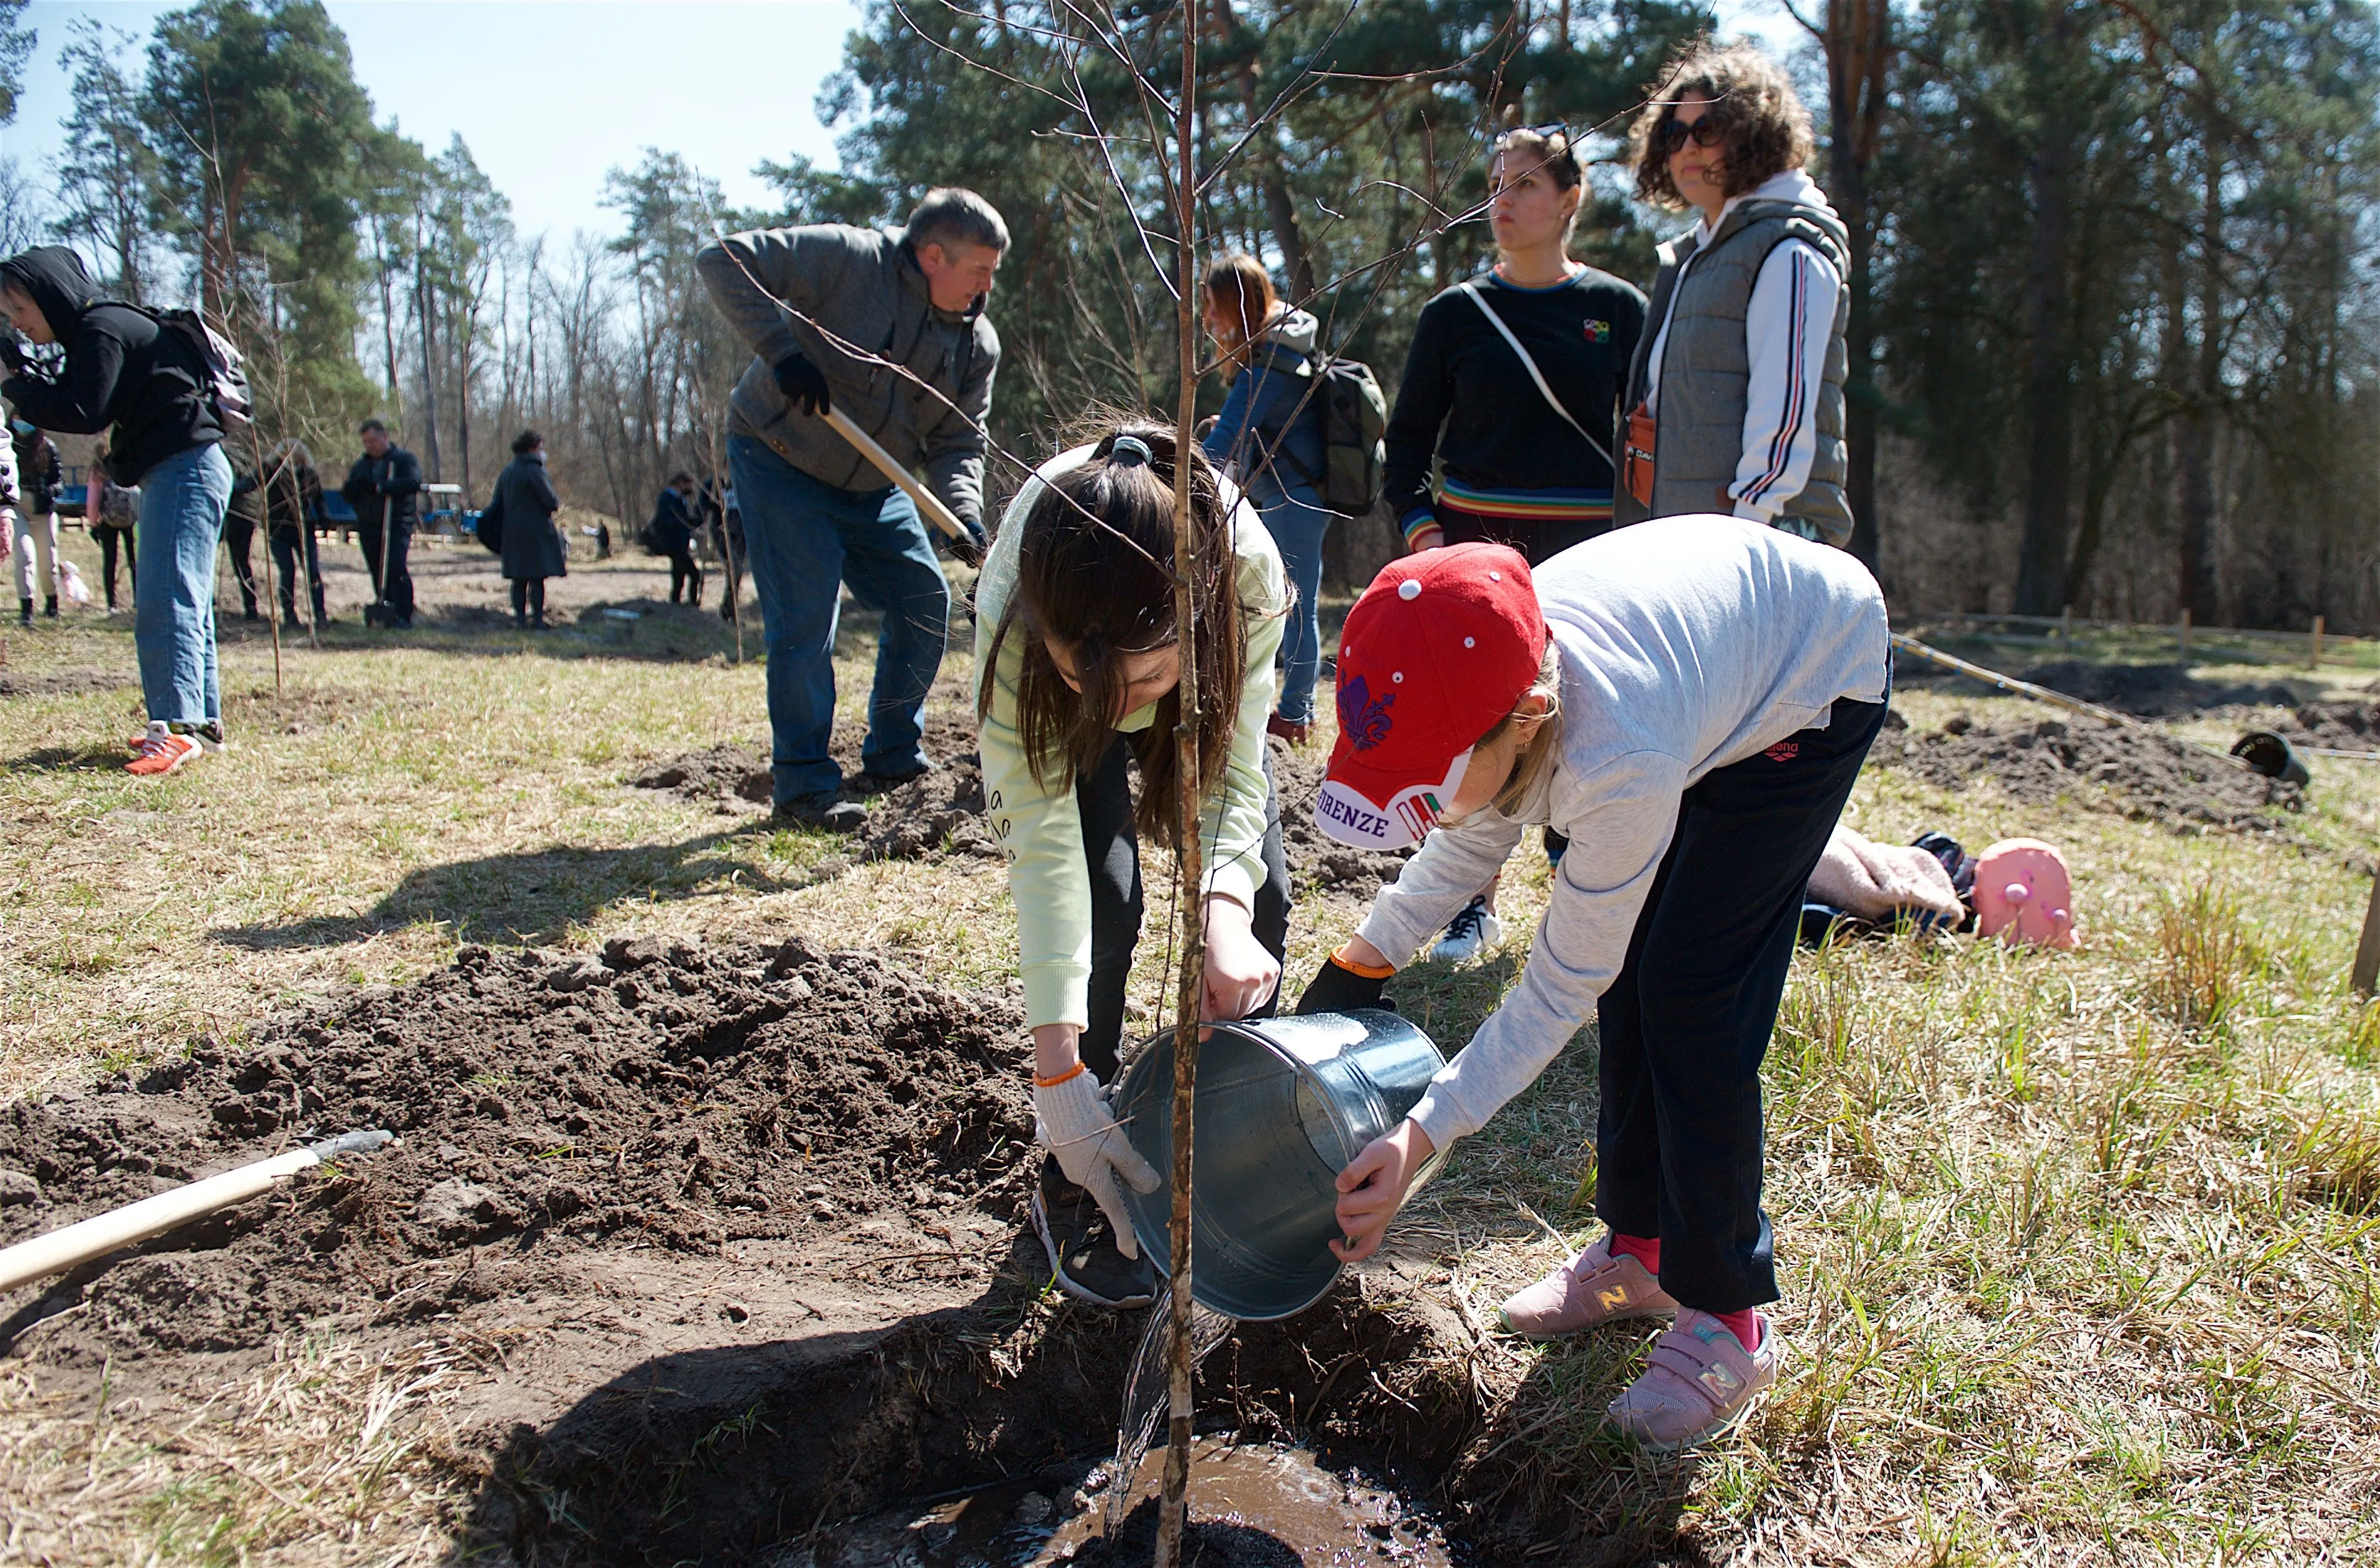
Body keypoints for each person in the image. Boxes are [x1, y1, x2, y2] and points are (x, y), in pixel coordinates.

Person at [1294, 518, 1887, 1453]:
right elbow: (1467, 833)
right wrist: (1349, 974)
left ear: (1527, 718)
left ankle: (1728, 1317)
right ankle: (1641, 1250)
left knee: (1691, 992)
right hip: (1700, 671)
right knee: (1636, 976)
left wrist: (1422, 1136)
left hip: (1807, 677)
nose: (1426, 808)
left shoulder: (1617, 755)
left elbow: (1558, 984)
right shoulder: (1499, 699)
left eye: (1431, 781)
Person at [975, 424, 1291, 1309]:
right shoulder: (1015, 608)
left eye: (1145, 686)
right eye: (1092, 687)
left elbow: (1233, 773)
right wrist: (1054, 1073)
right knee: (1104, 909)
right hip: (1073, 676)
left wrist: (1222, 911)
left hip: (1210, 696)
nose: (1118, 712)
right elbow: (1040, 848)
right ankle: (1086, 1151)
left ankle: (1232, 1144)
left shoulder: (1248, 581)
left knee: (1261, 912)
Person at [1380, 122, 1647, 962]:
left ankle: (1584, 897)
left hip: (1589, 565)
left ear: (1569, 199)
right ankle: (1468, 903)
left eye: (1526, 184)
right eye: (1496, 183)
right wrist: (1427, 539)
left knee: (1588, 721)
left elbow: (1650, 442)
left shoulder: (1616, 311)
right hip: (1474, 564)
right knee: (1474, 727)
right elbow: (1407, 447)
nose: (1504, 201)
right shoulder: (1455, 315)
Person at [697, 187, 1003, 831]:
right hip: (780, 456)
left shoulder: (978, 345)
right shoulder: (846, 259)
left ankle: (894, 754)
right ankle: (803, 788)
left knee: (924, 600)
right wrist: (782, 354)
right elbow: (720, 259)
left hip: (875, 483)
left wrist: (962, 516)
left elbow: (957, 441)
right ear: (930, 256)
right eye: (978, 270)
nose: (986, 288)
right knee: (807, 619)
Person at [0, 247, 229, 775]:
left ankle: (173, 727)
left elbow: (83, 410)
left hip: (185, 467)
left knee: (166, 595)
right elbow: (78, 398)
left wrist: (13, 387)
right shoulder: (105, 325)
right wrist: (23, 377)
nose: (18, 323)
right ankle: (200, 724)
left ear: (49, 296)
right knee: (185, 597)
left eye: (21, 310)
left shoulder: (99, 327)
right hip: (190, 466)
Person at [1613, 42, 1853, 548]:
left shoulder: (1788, 246)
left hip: (1763, 545)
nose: (1688, 149)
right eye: (1675, 135)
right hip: (1700, 541)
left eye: (1708, 131)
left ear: (1753, 135)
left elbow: (1783, 416)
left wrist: (1741, 543)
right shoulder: (1702, 254)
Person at [1201, 255, 1330, 747]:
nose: (1211, 319)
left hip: (1296, 500)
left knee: (1297, 605)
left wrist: (1173, 474)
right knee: (1290, 602)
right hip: (1290, 494)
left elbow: (1229, 436)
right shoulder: (1278, 352)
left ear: (1236, 303)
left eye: (1214, 307)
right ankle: (1295, 709)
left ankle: (1297, 714)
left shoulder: (1272, 360)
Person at [341, 417, 422, 629]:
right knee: (377, 569)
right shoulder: (362, 465)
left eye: (373, 441)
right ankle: (385, 608)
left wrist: (382, 487)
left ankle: (404, 614)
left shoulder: (403, 460)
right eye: (366, 442)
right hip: (369, 525)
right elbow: (349, 492)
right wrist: (355, 489)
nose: (370, 446)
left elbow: (413, 483)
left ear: (384, 437)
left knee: (395, 567)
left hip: (396, 522)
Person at [491, 428, 564, 630]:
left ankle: (520, 620)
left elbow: (497, 504)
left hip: (512, 533)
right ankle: (538, 619)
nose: (543, 452)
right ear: (532, 449)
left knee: (518, 579)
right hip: (536, 533)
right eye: (541, 448)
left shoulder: (507, 472)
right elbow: (550, 501)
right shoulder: (535, 471)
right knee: (537, 578)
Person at [262, 438, 328, 629]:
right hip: (278, 531)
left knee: (313, 573)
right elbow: (251, 482)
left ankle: (320, 616)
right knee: (287, 572)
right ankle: (289, 617)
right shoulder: (271, 473)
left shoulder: (309, 475)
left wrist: (324, 518)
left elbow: (319, 499)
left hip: (304, 531)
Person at [9, 416, 61, 623]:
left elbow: (60, 481)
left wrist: (49, 490)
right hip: (16, 506)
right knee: (24, 556)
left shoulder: (47, 446)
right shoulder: (6, 444)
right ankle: (26, 610)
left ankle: (52, 604)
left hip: (42, 509)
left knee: (48, 560)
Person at [88, 440, 138, 613]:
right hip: (131, 520)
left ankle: (112, 603)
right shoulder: (126, 464)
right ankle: (138, 599)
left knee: (110, 561)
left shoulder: (98, 471)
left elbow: (93, 501)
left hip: (107, 522)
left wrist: (93, 525)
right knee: (135, 560)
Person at [223, 439, 265, 624]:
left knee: (237, 561)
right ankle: (251, 607)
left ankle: (249, 608)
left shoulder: (225, 457)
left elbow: (228, 485)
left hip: (235, 513)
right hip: (250, 514)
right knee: (243, 562)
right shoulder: (247, 458)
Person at [650, 471, 703, 607]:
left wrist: (695, 522)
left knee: (679, 577)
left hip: (681, 544)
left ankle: (675, 604)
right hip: (673, 544)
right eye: (688, 485)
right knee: (694, 574)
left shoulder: (680, 500)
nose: (690, 488)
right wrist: (686, 523)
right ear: (680, 484)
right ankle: (692, 605)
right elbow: (668, 521)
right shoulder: (667, 499)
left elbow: (685, 522)